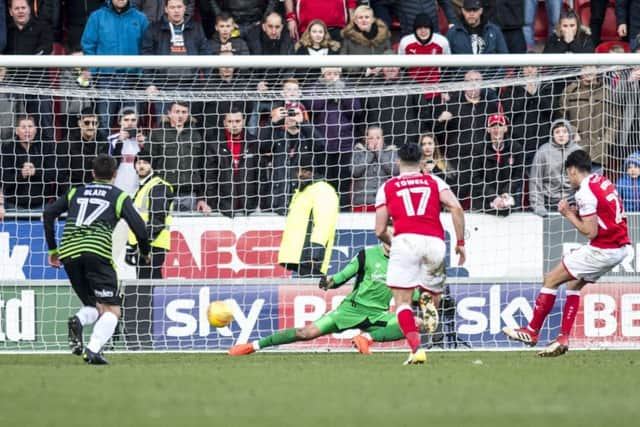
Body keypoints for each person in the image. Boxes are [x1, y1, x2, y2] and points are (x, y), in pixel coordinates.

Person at [228, 224, 439, 356]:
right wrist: (330, 282)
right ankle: (252, 346)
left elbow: (413, 293)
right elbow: (344, 275)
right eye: (391, 233)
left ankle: (366, 339)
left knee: (416, 323)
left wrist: (426, 300)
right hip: (350, 310)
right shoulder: (366, 254)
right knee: (305, 333)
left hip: (377, 316)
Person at [503, 150, 632, 357]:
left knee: (551, 279)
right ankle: (562, 338)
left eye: (567, 173)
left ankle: (532, 330)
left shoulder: (584, 192)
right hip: (619, 248)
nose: (568, 178)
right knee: (573, 285)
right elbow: (603, 213)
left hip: (603, 248)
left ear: (572, 170)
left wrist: (569, 213)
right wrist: (579, 211)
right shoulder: (601, 180)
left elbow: (590, 231)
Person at [43, 154, 151, 364]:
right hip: (96, 253)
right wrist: (145, 252)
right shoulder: (119, 196)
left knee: (94, 305)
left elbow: (48, 213)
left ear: (92, 173)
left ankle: (79, 319)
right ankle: (92, 350)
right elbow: (139, 228)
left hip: (70, 254)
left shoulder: (76, 191)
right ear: (115, 174)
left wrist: (52, 250)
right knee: (112, 310)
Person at [374, 143, 466, 364]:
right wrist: (460, 242)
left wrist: (393, 241)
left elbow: (379, 230)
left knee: (402, 302)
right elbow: (456, 207)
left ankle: (416, 349)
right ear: (421, 163)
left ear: (398, 162)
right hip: (434, 241)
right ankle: (429, 301)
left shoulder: (388, 186)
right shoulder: (434, 181)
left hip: (406, 239)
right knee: (432, 295)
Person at [81, 0, 149, 140]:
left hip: (133, 79)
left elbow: (146, 48)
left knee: (132, 123)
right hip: (106, 78)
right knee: (104, 123)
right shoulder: (97, 17)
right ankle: (104, 159)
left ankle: (130, 160)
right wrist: (93, 71)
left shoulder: (140, 18)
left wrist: (142, 75)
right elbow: (88, 45)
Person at [278, 157, 339, 277]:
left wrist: (315, 254)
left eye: (304, 171)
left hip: (310, 257)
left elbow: (324, 223)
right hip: (300, 256)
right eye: (298, 171)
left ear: (312, 172)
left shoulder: (322, 189)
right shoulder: (304, 191)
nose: (299, 174)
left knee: (311, 288)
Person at [148, 101, 210, 213]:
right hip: (164, 194)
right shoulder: (157, 134)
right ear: (169, 113)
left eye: (184, 112)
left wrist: (201, 197)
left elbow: (201, 167)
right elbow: (149, 164)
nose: (180, 115)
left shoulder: (196, 134)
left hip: (190, 195)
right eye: (177, 112)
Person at [125, 148, 174, 279]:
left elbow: (157, 219)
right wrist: (130, 246)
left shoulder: (158, 186)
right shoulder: (140, 189)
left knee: (149, 285)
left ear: (152, 165)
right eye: (138, 162)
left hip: (153, 245)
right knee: (145, 285)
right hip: (142, 245)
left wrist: (144, 245)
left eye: (145, 162)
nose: (141, 166)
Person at [205, 107, 260, 217]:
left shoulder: (253, 142)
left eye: (237, 121)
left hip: (249, 207)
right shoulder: (214, 144)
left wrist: (259, 202)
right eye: (230, 121)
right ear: (224, 123)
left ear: (244, 121)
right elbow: (210, 176)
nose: (234, 125)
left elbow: (259, 175)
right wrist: (212, 203)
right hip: (223, 207)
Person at [470, 114, 525, 216]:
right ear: (488, 129)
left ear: (505, 128)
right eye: (493, 126)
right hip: (485, 200)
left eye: (500, 126)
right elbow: (476, 178)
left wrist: (506, 192)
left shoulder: (516, 148)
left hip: (508, 197)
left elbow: (518, 176)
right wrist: (493, 196)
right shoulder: (479, 149)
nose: (497, 130)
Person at [1, 115, 56, 210]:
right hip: (14, 205)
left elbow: (54, 174)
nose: (27, 130)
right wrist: (21, 174)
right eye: (23, 127)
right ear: (16, 131)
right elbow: (4, 178)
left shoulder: (45, 148)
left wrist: (35, 172)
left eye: (30, 127)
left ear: (35, 129)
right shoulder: (7, 149)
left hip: (42, 205)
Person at [529, 119, 583, 217]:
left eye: (564, 131)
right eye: (557, 132)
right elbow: (535, 180)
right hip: (549, 203)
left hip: (572, 203)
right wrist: (538, 206)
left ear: (570, 133)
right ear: (552, 134)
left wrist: (580, 205)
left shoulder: (578, 151)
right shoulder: (543, 152)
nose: (561, 135)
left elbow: (584, 181)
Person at [55, 109, 109, 196]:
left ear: (98, 124)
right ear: (80, 123)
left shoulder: (103, 141)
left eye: (94, 123)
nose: (91, 126)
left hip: (96, 189)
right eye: (87, 123)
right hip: (73, 189)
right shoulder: (67, 142)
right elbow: (61, 174)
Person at [351, 126, 397, 212]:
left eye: (378, 138)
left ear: (383, 139)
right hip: (362, 202)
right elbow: (355, 172)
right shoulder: (359, 151)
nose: (375, 141)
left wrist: (379, 153)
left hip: (385, 202)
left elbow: (395, 171)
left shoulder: (391, 151)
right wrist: (370, 154)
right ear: (366, 140)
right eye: (371, 138)